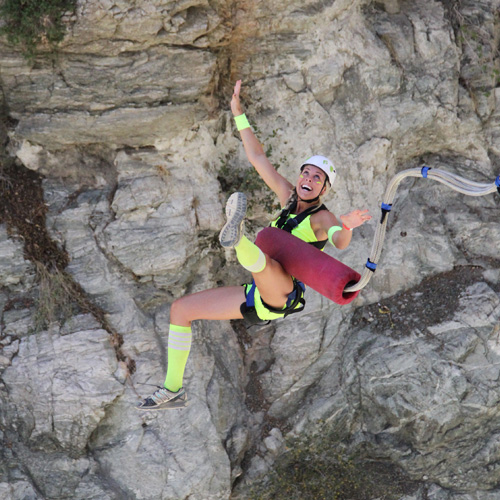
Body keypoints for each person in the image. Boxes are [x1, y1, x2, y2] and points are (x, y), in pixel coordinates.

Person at [136, 80, 371, 411]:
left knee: (266, 259)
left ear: (324, 189)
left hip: (284, 293)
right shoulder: (288, 197)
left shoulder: (322, 218)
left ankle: (239, 238)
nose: (308, 179)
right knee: (180, 310)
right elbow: (258, 157)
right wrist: (239, 114)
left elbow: (340, 241)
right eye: (306, 172)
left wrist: (345, 223)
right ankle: (172, 388)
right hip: (256, 297)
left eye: (317, 178)